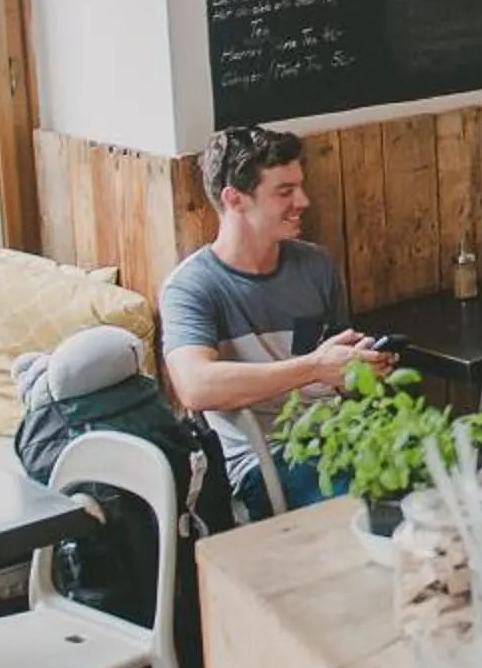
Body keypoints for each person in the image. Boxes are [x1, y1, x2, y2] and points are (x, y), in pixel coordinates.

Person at [160, 123, 393, 518]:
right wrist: (315, 367)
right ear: (234, 199)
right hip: (267, 460)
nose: (303, 201)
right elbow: (194, 387)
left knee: (448, 484)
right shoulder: (191, 287)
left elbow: (338, 371)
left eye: (300, 186)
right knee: (364, 512)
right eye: (285, 192)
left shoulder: (317, 265)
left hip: (347, 435)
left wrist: (362, 368)